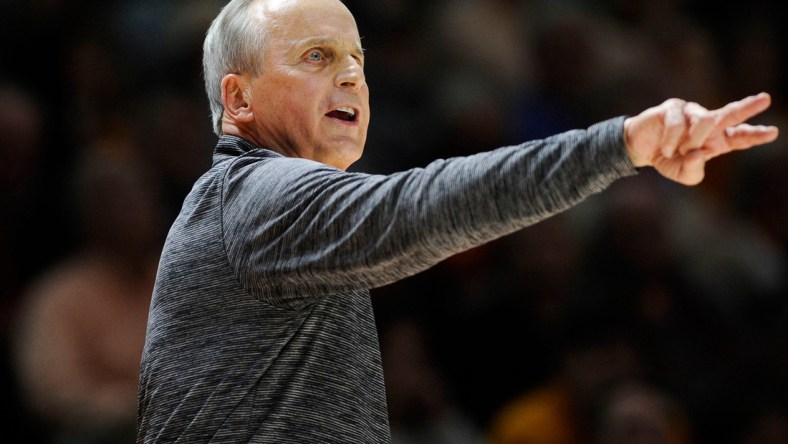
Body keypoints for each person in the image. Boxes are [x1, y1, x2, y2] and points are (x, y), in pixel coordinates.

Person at [135, 0, 779, 442]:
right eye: (316, 57)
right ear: (239, 97)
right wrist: (622, 145)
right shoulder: (258, 197)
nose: (354, 76)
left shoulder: (259, 206)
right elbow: (423, 204)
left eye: (357, 58)